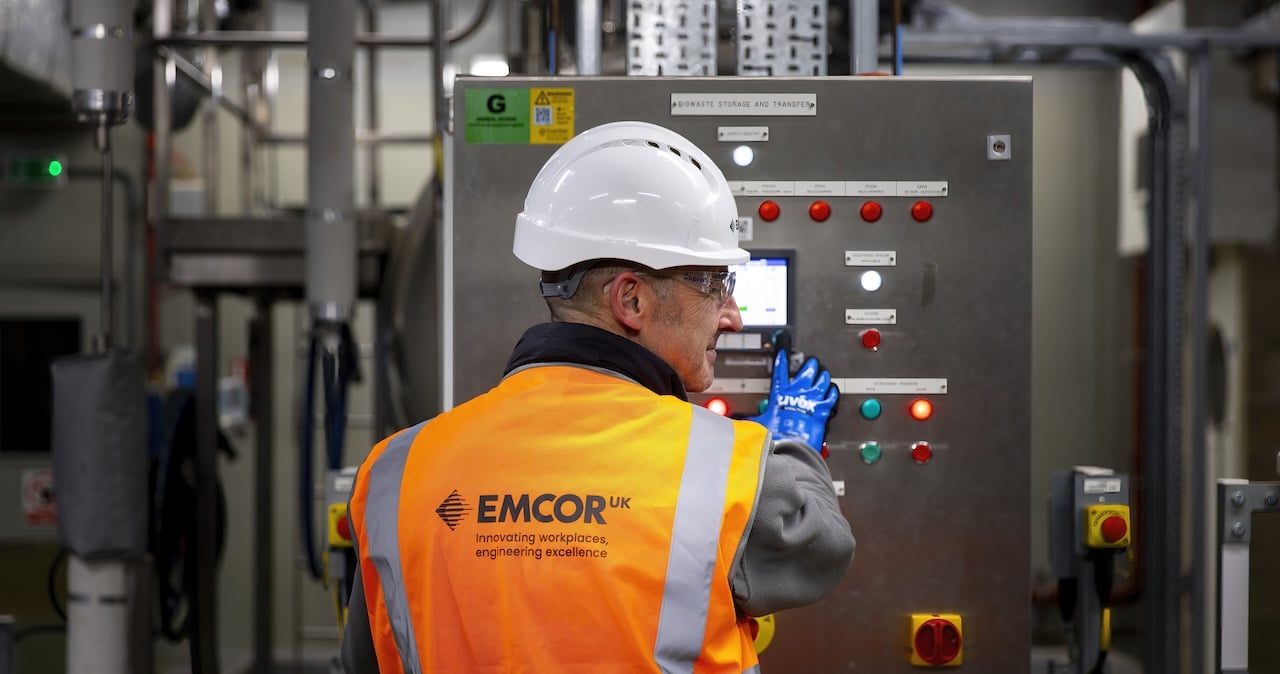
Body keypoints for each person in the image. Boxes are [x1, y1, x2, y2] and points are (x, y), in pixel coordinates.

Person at [341, 120, 854, 673]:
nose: (732, 316)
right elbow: (821, 546)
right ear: (630, 300)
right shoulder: (733, 471)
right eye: (712, 285)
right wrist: (792, 444)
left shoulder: (394, 473)